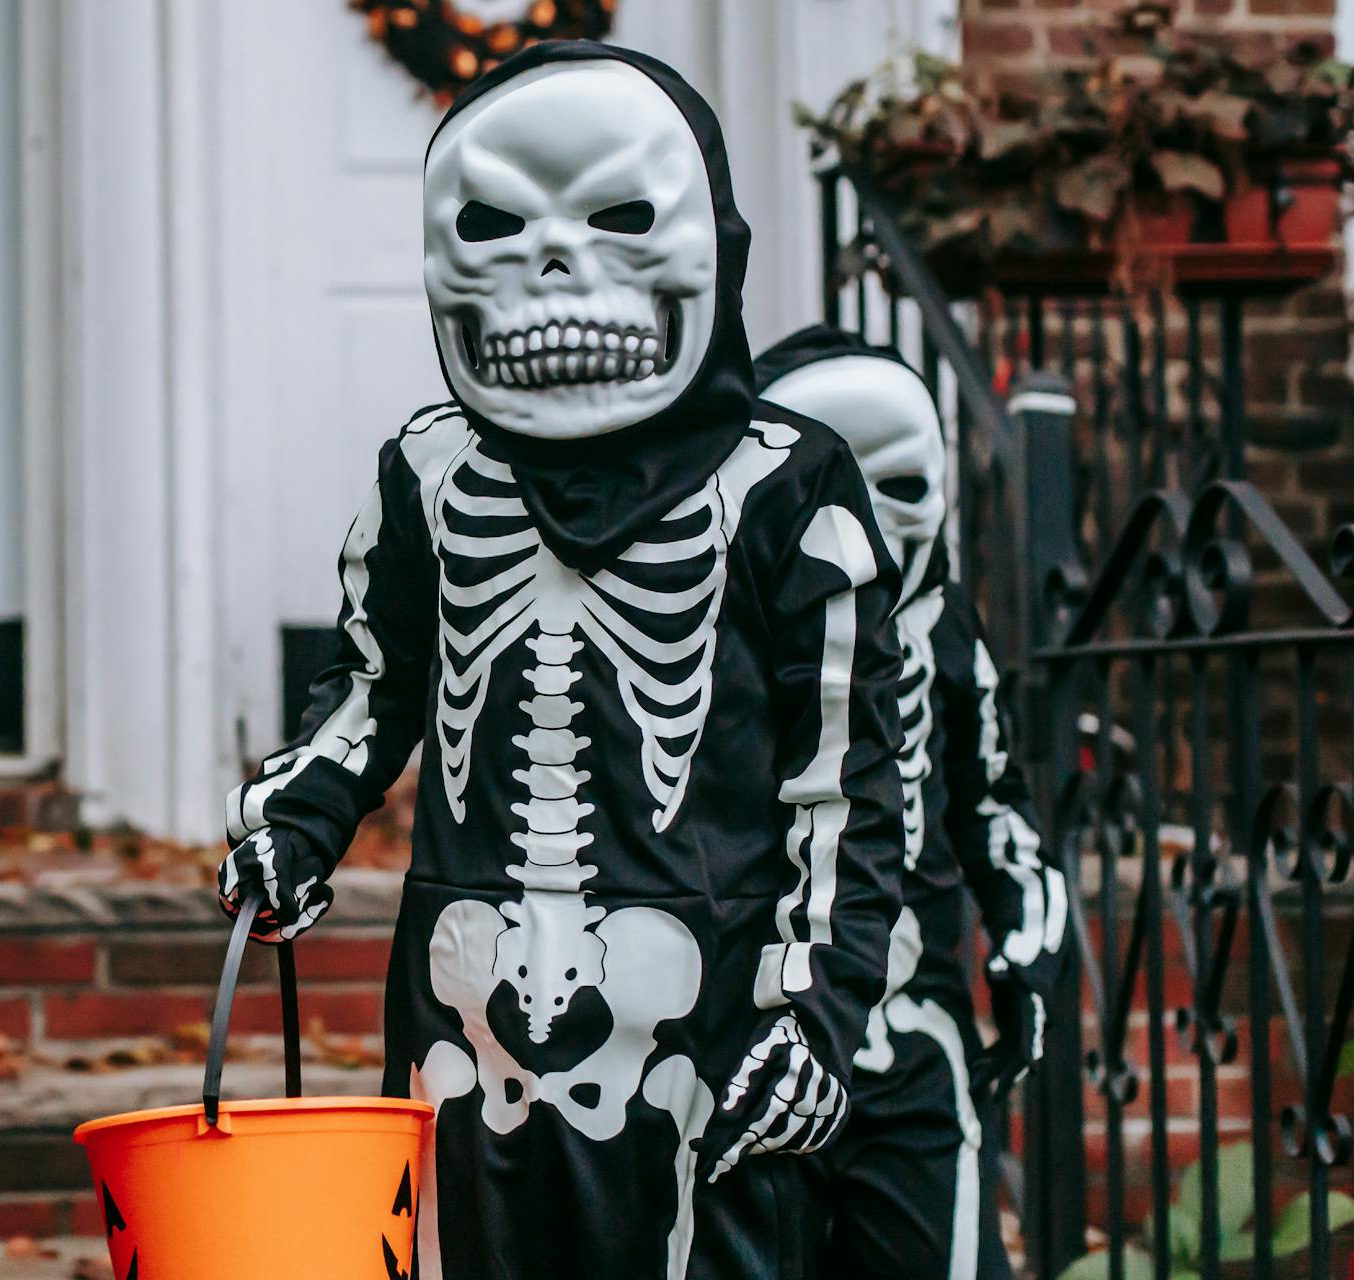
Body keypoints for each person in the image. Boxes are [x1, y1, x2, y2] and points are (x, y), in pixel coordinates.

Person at [218, 43, 907, 1280]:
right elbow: (374, 689)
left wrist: (823, 1010)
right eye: (495, 228)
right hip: (460, 1002)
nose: (554, 268)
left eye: (618, 219)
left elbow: (847, 782)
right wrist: (295, 819)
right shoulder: (431, 473)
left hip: (712, 1016)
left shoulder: (787, 485)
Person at [755, 326, 1071, 1279]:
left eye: (897, 487)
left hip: (913, 1044)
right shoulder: (722, 643)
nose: (870, 529)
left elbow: (993, 800)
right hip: (751, 1038)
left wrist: (1029, 937)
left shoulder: (949, 636)